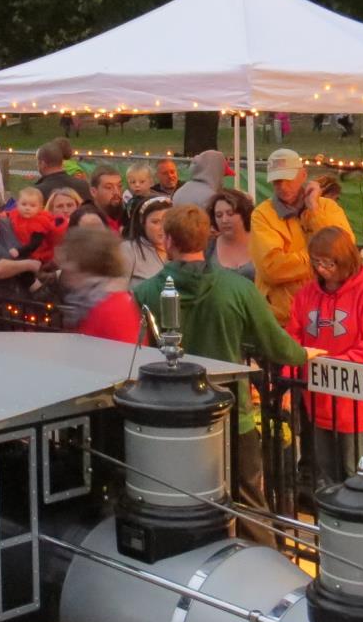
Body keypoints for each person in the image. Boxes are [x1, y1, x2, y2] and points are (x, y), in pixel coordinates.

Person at [133, 205, 315, 537]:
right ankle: (264, 573)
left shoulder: (145, 293)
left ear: (168, 240)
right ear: (206, 238)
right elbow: (277, 345)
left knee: (182, 505)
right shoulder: (237, 288)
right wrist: (305, 353)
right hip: (231, 413)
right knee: (247, 505)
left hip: (171, 418)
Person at [290, 227, 363, 487]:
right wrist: (289, 371)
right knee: (327, 476)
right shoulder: (306, 294)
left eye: (329, 262)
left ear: (344, 260)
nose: (323, 269)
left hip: (357, 404)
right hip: (320, 400)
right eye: (317, 262)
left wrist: (335, 364)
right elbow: (293, 337)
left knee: (359, 477)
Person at [250, 149, 354, 326]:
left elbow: (345, 252)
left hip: (328, 314)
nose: (282, 186)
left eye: (287, 179)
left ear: (303, 175)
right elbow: (272, 269)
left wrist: (314, 211)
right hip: (283, 319)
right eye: (276, 181)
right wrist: (323, 262)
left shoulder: (326, 207)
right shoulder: (262, 215)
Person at [58, 227, 139, 343]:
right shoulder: (86, 301)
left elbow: (127, 355)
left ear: (88, 264)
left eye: (70, 259)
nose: (65, 266)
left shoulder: (112, 307)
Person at [8, 185, 66, 269]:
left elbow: (34, 244)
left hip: (36, 253)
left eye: (32, 206)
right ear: (17, 204)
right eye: (24, 204)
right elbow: (7, 215)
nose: (27, 208)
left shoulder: (40, 222)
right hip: (18, 247)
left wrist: (19, 251)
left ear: (40, 208)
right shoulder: (15, 215)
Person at [206, 188, 256, 279]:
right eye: (219, 215)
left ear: (244, 214)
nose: (224, 220)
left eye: (230, 213)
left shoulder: (261, 242)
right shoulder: (208, 249)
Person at [121, 194, 171, 281]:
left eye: (167, 221)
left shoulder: (182, 250)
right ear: (143, 222)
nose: (162, 227)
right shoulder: (128, 250)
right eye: (156, 222)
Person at [87, 165, 126, 233]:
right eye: (109, 187)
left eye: (119, 186)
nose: (116, 192)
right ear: (93, 192)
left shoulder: (128, 216)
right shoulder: (88, 220)